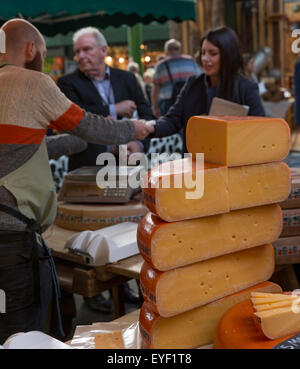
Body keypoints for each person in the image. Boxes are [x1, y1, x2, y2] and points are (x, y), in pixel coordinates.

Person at [0, 19, 152, 344]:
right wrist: (132, 129)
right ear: (31, 49)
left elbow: (21, 148)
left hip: (10, 234)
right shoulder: (33, 82)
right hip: (10, 238)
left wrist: (72, 142)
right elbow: (85, 125)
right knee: (19, 330)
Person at [148, 27, 265, 154]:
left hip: (232, 163)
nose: (205, 58)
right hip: (196, 161)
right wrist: (150, 127)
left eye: (212, 53)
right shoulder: (192, 84)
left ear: (228, 55)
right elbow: (173, 119)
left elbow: (259, 131)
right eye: (203, 52)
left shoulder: (246, 88)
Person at [57, 27, 155, 172]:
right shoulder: (68, 82)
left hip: (127, 165)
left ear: (104, 50)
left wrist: (139, 144)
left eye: (87, 49)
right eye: (77, 52)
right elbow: (74, 117)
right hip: (89, 167)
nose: (81, 56)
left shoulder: (127, 78)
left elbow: (147, 116)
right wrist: (114, 109)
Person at [151, 38, 201, 117]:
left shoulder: (161, 66)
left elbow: (155, 90)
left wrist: (155, 108)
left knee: (170, 126)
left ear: (166, 51)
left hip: (168, 103)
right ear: (180, 49)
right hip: (189, 101)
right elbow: (200, 81)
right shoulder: (191, 62)